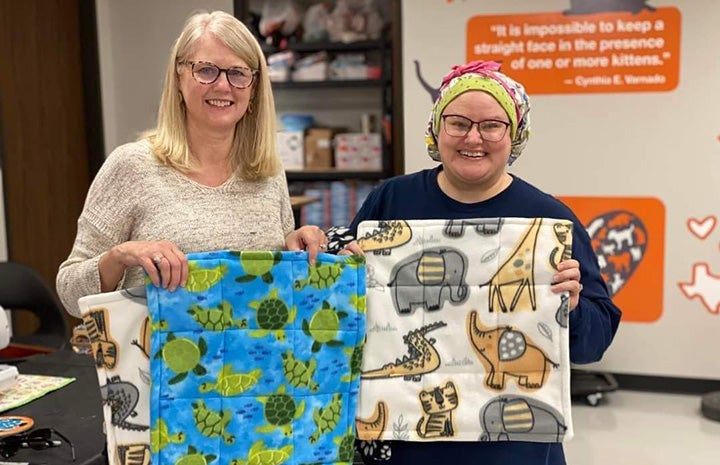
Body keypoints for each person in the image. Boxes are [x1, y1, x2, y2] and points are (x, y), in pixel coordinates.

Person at [338, 61, 622, 464]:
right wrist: (340, 268)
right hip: (405, 442)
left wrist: (572, 308)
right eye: (458, 123)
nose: (474, 138)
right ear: (437, 129)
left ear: (515, 134)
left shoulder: (548, 221)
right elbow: (343, 311)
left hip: (514, 446)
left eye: (492, 125)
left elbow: (595, 341)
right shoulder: (391, 201)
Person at [57, 11, 327, 318]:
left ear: (253, 89)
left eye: (238, 73)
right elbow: (69, 291)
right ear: (179, 78)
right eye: (206, 70)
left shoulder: (267, 173)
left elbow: (275, 290)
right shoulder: (132, 166)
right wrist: (120, 256)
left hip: (257, 363)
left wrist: (295, 247)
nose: (223, 86)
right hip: (157, 363)